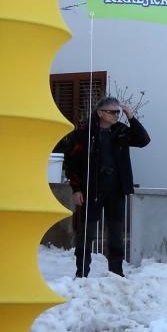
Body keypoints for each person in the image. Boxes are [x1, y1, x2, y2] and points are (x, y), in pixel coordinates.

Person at [60, 96, 150, 277]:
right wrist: (76, 189)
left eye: (118, 112)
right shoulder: (85, 134)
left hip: (116, 190)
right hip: (91, 190)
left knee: (116, 234)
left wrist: (131, 117)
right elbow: (71, 162)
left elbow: (143, 140)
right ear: (100, 113)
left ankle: (116, 273)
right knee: (87, 233)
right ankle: (82, 273)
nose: (116, 115)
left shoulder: (121, 131)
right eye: (112, 112)